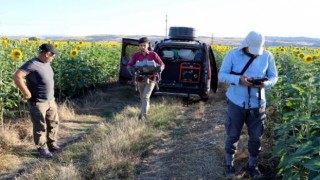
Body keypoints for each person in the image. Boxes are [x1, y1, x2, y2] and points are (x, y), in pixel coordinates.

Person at [218, 31, 278, 178]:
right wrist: (239, 79)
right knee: (233, 134)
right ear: (246, 44)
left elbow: (274, 76)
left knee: (256, 137)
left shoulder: (267, 56)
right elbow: (221, 75)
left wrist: (265, 83)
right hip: (236, 101)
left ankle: (252, 165)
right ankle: (229, 164)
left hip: (258, 103)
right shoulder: (232, 55)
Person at [13, 43, 61, 158]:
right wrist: (26, 92)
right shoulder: (32, 64)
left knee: (53, 124)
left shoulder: (47, 63)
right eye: (53, 54)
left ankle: (52, 144)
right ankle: (42, 148)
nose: (54, 57)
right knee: (40, 126)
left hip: (50, 100)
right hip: (38, 102)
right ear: (47, 54)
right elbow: (17, 76)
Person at [127, 37, 165, 120]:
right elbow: (129, 65)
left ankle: (143, 117)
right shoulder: (136, 55)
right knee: (142, 97)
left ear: (148, 45)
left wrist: (160, 69)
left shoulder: (153, 54)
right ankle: (144, 110)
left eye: (144, 45)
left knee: (146, 97)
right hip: (140, 79)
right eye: (140, 45)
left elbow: (162, 64)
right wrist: (131, 69)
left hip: (151, 78)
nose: (142, 47)